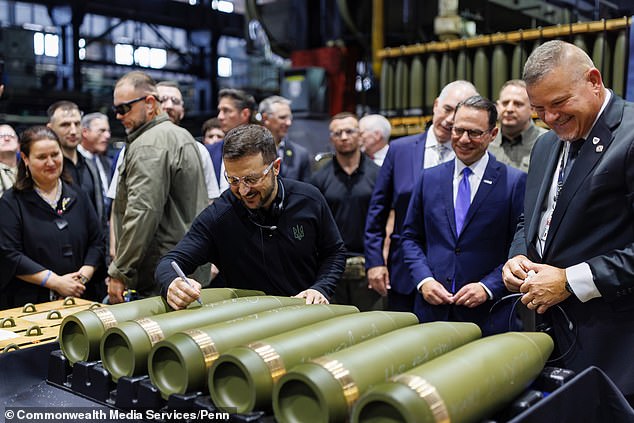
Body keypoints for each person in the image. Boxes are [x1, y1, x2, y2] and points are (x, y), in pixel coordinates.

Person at [502, 40, 634, 404]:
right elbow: (533, 218)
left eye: (559, 104)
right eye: (539, 109)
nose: (549, 118)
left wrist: (569, 281)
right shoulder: (545, 146)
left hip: (615, 348)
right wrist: (517, 256)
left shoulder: (630, 136)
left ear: (594, 80)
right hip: (549, 339)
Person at [155, 124, 346, 310]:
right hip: (251, 324)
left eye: (251, 179)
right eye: (233, 180)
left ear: (275, 167)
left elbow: (334, 252)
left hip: (308, 314)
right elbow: (170, 262)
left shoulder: (309, 200)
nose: (244, 191)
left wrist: (320, 288)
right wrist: (173, 283)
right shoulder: (220, 215)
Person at [402, 96, 526, 334]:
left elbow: (520, 248)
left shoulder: (513, 182)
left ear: (492, 134)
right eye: (458, 130)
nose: (464, 139)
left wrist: (488, 287)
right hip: (432, 313)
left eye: (475, 133)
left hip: (489, 316)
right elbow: (410, 237)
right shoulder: (429, 178)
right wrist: (424, 280)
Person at [364, 81, 478, 312]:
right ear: (435, 105)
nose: (449, 120)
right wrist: (374, 262)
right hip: (404, 273)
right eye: (447, 109)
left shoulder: (474, 155)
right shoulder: (400, 150)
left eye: (457, 114)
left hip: (457, 277)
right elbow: (377, 211)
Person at [107, 71, 208, 304]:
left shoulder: (149, 145)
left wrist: (119, 270)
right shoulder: (182, 136)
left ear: (150, 103)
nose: (119, 116)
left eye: (124, 109)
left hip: (162, 275)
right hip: (187, 268)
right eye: (116, 110)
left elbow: (142, 212)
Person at [0, 126, 104, 309]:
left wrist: (81, 277)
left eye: (55, 154)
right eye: (41, 157)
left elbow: (97, 242)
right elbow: (9, 254)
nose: (51, 162)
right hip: (30, 303)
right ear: (25, 159)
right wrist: (55, 282)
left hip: (81, 297)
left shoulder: (79, 196)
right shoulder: (11, 202)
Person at [311, 113, 382, 311]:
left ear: (360, 135)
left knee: (371, 328)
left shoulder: (379, 174)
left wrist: (382, 261)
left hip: (370, 264)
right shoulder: (319, 179)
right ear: (331, 139)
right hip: (331, 266)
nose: (343, 136)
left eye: (349, 131)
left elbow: (388, 219)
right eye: (337, 133)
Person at [156, 81, 220, 202]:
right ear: (151, 106)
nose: (169, 105)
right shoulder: (134, 148)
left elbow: (210, 200)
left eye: (175, 101)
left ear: (182, 111)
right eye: (162, 100)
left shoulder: (199, 151)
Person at [47, 101, 105, 227]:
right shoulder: (47, 168)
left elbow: (100, 213)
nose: (73, 131)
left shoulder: (91, 166)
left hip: (93, 243)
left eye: (77, 124)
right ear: (50, 129)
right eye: (65, 125)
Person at [488, 79, 547, 172]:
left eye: (518, 104)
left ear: (532, 109)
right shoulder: (487, 142)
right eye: (505, 103)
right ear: (497, 107)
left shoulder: (548, 143)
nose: (509, 109)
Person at [207, 88, 257, 193]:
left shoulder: (261, 151)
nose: (219, 117)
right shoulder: (209, 152)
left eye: (226, 111)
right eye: (219, 111)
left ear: (245, 114)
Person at [259, 95, 312, 182]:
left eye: (290, 117)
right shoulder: (251, 151)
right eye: (282, 117)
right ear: (265, 118)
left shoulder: (301, 154)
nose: (289, 123)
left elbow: (306, 191)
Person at [78, 112, 112, 212]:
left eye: (108, 131)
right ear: (85, 132)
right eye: (102, 131)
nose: (107, 135)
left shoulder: (107, 163)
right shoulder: (74, 162)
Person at [0, 124, 19, 197]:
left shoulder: (28, 170)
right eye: (1, 136)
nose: (7, 138)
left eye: (11, 135)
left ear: (18, 144)